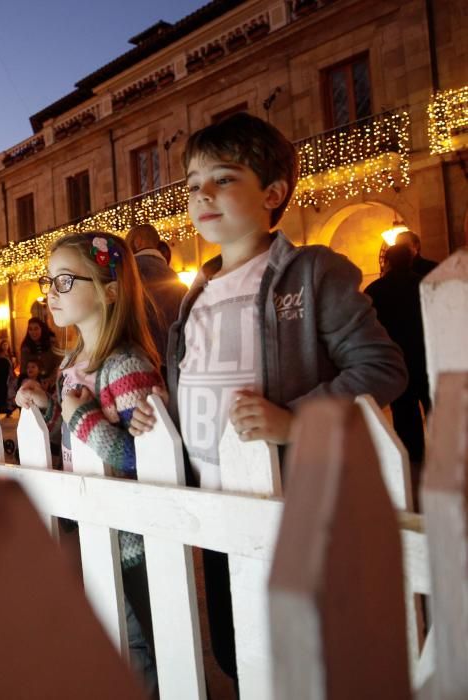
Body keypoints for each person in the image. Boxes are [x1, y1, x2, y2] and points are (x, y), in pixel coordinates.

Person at [129, 112, 407, 690]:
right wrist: (162, 423)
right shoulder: (193, 295)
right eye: (192, 183)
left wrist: (297, 422)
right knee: (235, 652)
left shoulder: (311, 274)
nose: (202, 194)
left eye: (224, 178)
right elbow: (198, 382)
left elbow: (381, 367)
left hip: (294, 502)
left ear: (273, 192)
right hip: (219, 507)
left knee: (307, 654)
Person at [15, 231, 163, 691]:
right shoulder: (75, 361)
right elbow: (77, 438)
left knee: (137, 641)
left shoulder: (124, 365)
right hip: (93, 526)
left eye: (64, 282)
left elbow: (143, 459)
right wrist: (49, 410)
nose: (49, 295)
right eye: (49, 282)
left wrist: (81, 418)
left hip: (130, 538)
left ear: (110, 290)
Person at [365, 245, 430, 470]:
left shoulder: (375, 290)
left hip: (396, 359)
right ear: (411, 260)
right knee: (434, 407)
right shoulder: (425, 284)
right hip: (426, 356)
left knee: (404, 412)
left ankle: (413, 462)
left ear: (388, 262)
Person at [125, 223, 188, 371]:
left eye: (128, 240)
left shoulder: (129, 272)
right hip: (172, 363)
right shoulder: (174, 277)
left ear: (138, 241)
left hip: (137, 362)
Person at [19, 318, 59, 392]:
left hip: (52, 383)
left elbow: (59, 365)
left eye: (36, 328)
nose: (33, 332)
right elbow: (24, 370)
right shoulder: (25, 347)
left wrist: (49, 381)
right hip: (33, 385)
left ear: (42, 329)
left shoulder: (52, 344)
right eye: (30, 329)